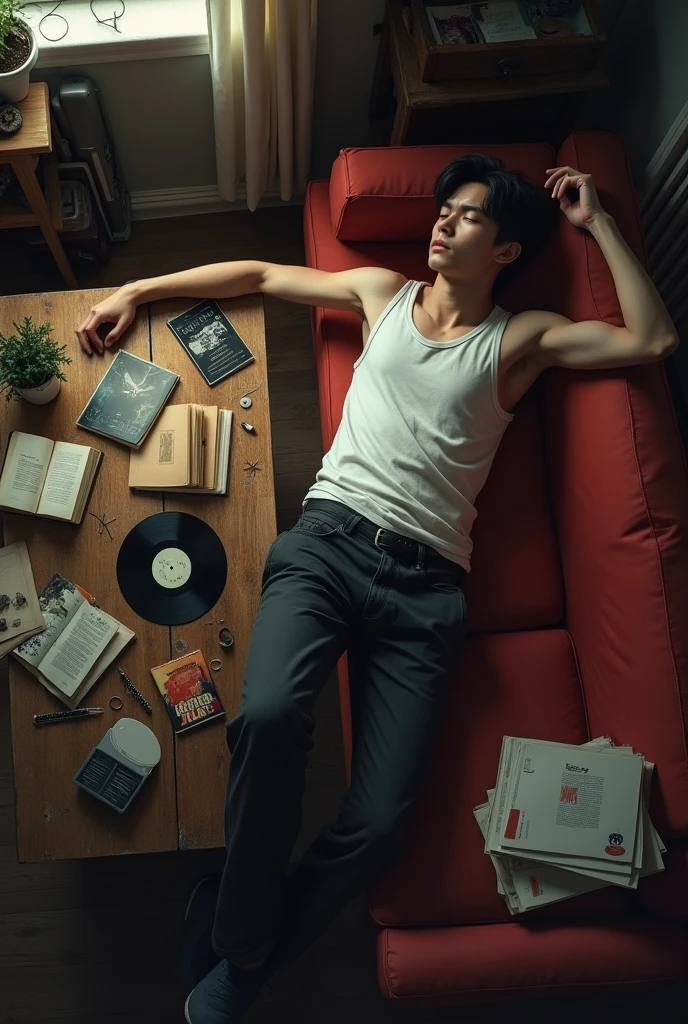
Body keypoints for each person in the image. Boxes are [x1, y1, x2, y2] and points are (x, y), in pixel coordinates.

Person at [76, 156, 678, 1024]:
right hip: (328, 545)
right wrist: (139, 286)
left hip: (427, 591)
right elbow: (258, 273)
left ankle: (242, 930)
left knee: (382, 818)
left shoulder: (521, 338)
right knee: (271, 716)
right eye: (444, 208)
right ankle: (246, 958)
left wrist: (599, 223)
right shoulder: (380, 294)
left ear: (506, 250)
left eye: (467, 217)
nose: (442, 222)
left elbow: (653, 340)